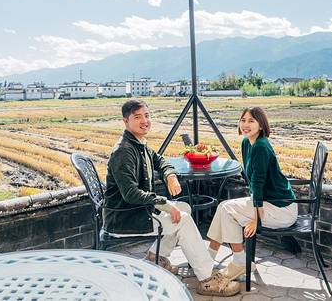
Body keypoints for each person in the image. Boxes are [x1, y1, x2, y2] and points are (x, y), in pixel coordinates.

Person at [103, 99, 240, 297]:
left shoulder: (138, 144)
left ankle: (155, 258)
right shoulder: (124, 151)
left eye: (147, 115)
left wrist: (170, 175)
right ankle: (207, 279)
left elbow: (159, 160)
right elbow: (131, 194)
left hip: (139, 211)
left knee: (183, 208)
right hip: (126, 217)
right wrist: (165, 204)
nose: (144, 121)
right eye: (138, 117)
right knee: (182, 220)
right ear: (126, 121)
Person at [207, 106, 298, 281]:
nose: (245, 125)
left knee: (226, 210)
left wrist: (256, 219)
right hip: (267, 202)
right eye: (243, 120)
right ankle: (211, 258)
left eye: (251, 121)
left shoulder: (261, 146)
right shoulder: (246, 143)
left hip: (281, 209)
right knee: (224, 208)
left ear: (261, 125)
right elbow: (253, 182)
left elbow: (258, 183)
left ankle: (237, 262)